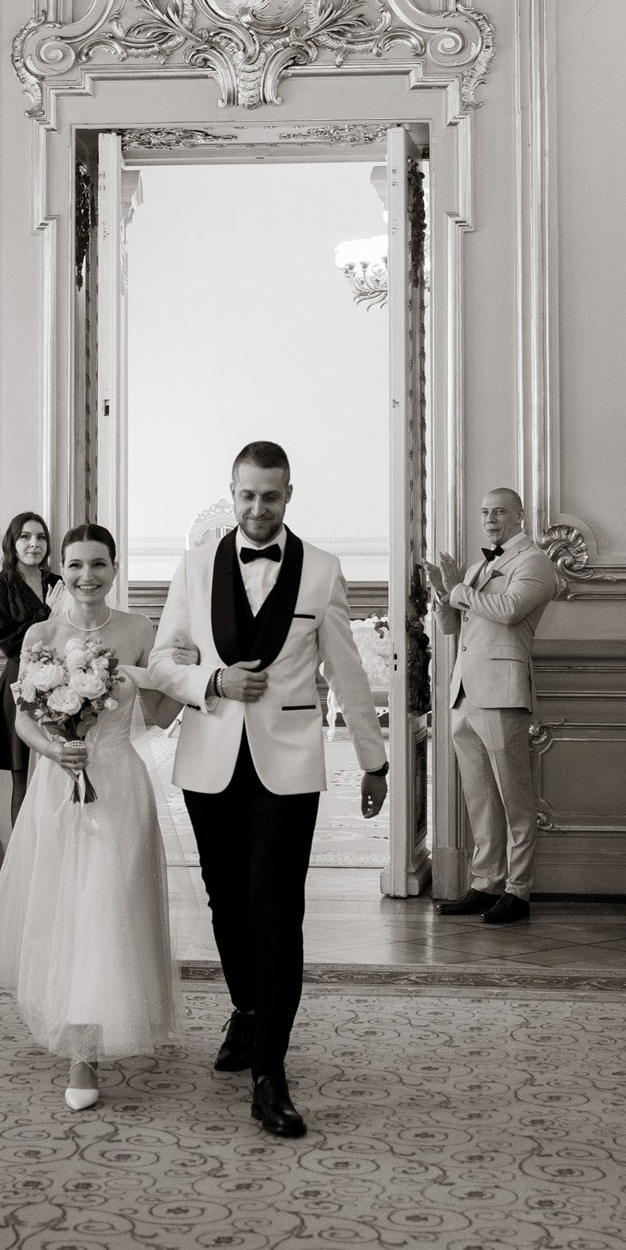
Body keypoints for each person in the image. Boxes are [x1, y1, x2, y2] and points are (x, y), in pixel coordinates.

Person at [147, 440, 388, 1141]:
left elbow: (346, 672)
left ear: (289, 495)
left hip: (288, 769)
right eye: (248, 496)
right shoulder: (194, 568)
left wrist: (374, 763)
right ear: (232, 492)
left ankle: (271, 1074)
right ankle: (246, 1013)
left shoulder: (322, 571)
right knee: (227, 902)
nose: (259, 508)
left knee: (275, 911)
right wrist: (212, 682)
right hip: (210, 763)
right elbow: (162, 662)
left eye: (271, 496)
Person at [0, 522, 178, 1107]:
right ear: (63, 569)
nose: (88, 576)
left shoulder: (140, 629)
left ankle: (108, 1022)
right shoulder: (41, 630)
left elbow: (159, 715)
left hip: (119, 780)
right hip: (59, 785)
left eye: (99, 565)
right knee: (71, 906)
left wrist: (174, 675)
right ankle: (80, 1053)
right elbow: (22, 719)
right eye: (77, 565)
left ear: (115, 569)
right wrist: (53, 749)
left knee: (111, 900)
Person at [428, 488, 564, 922]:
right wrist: (440, 593)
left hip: (504, 692)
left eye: (499, 511)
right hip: (464, 692)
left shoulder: (534, 563)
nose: (489, 518)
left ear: (520, 516)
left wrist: (458, 590)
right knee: (480, 797)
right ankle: (486, 883)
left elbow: (507, 610)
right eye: (485, 511)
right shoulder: (477, 567)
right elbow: (452, 625)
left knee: (515, 798)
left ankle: (519, 891)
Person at [0, 513, 58, 825]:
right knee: (23, 780)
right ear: (13, 543)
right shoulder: (0, 587)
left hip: (61, 684)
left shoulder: (58, 582)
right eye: (26, 537)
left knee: (57, 775)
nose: (34, 543)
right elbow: (8, 641)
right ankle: (24, 866)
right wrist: (45, 613)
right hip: (20, 684)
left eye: (41, 537)